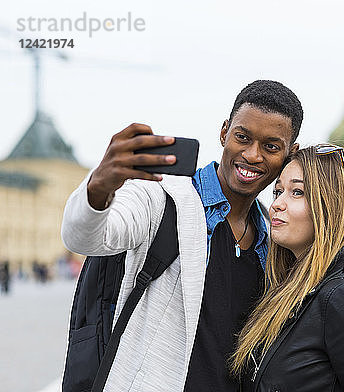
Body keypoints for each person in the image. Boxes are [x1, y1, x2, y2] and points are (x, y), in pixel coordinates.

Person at [61, 80, 302, 391]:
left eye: (271, 146)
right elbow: (83, 237)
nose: (252, 155)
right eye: (242, 137)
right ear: (224, 132)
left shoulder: (272, 239)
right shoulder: (161, 200)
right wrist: (99, 187)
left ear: (289, 153)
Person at [231, 145, 344, 391]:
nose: (278, 203)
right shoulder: (287, 289)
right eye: (278, 191)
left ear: (331, 205)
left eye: (297, 192)